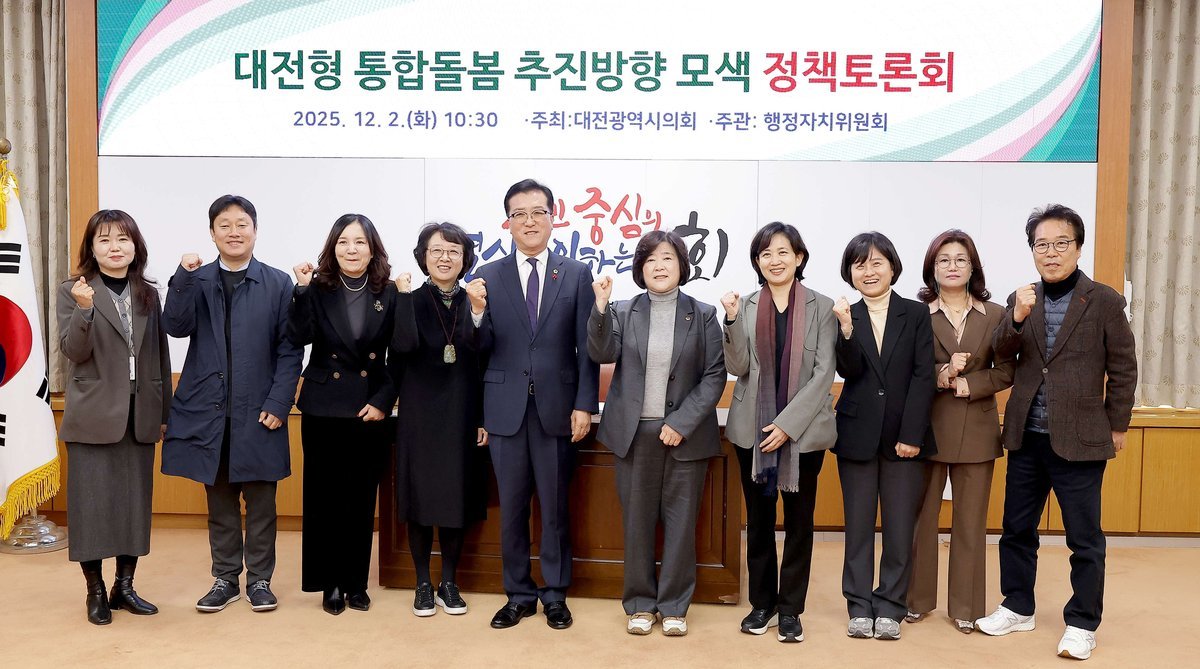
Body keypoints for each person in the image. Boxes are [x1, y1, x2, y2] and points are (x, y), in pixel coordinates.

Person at [975, 205, 1137, 661]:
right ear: (1032, 251)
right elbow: (1001, 354)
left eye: (1061, 243)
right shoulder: (1021, 296)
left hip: (1081, 438)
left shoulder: (1104, 301)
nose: (1051, 252)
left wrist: (1118, 424)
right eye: (1041, 245)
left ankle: (1082, 623)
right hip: (1027, 434)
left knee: (1084, 539)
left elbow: (1124, 367)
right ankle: (1017, 606)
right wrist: (1016, 316)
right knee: (1016, 529)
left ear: (1078, 247)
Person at [161, 194, 302, 613]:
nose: (234, 232)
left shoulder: (277, 283)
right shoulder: (197, 278)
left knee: (261, 503)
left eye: (242, 224)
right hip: (210, 411)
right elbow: (175, 325)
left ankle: (259, 580)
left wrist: (279, 402)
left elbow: (290, 349)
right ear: (212, 233)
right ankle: (225, 578)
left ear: (255, 231)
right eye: (225, 225)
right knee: (219, 502)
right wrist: (182, 278)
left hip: (259, 410)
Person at [475, 178, 599, 630]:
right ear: (507, 222)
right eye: (519, 214)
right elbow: (478, 350)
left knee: (555, 507)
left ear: (553, 217)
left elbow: (587, 348)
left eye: (538, 212)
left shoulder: (576, 273)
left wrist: (585, 404)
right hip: (503, 410)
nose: (529, 221)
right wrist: (475, 314)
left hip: (558, 409)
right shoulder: (488, 276)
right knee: (512, 510)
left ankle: (555, 594)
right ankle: (519, 594)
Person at [588, 230, 725, 637]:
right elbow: (601, 353)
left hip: (685, 436)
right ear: (640, 268)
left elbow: (715, 375)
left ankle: (675, 606)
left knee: (682, 526)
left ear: (682, 265)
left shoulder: (703, 314)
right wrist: (599, 307)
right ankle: (640, 604)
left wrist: (681, 423)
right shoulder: (622, 310)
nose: (659, 266)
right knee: (637, 524)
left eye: (667, 258)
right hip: (633, 435)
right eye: (650, 260)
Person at [720, 222, 837, 643]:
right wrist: (731, 319)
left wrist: (786, 426)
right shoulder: (746, 306)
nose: (775, 260)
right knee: (759, 521)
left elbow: (824, 374)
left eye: (783, 252)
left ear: (799, 257)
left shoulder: (822, 306)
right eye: (765, 254)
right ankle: (762, 604)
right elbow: (737, 366)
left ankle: (790, 609)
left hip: (803, 435)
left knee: (800, 522)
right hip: (751, 432)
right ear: (757, 261)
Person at [57, 210, 171, 625]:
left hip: (140, 414)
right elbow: (73, 351)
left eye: (123, 239)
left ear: (135, 246)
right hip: (93, 415)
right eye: (104, 240)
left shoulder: (148, 294)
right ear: (92, 248)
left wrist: (164, 412)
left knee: (133, 506)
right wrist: (85, 310)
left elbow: (159, 356)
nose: (114, 247)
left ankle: (124, 587)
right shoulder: (74, 290)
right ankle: (95, 591)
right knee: (90, 508)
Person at [287, 214, 397, 615]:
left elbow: (400, 355)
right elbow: (297, 336)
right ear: (332, 249)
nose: (352, 249)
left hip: (369, 407)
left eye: (360, 242)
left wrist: (383, 399)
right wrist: (301, 290)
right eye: (344, 242)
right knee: (324, 498)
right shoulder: (316, 288)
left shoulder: (390, 292)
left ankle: (356, 582)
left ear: (373, 249)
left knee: (361, 497)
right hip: (323, 406)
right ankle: (329, 582)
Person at [905, 230, 1014, 633]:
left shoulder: (997, 315)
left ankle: (967, 607)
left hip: (978, 431)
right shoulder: (916, 314)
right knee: (921, 520)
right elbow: (907, 368)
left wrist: (967, 382)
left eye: (960, 259)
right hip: (926, 428)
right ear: (932, 269)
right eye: (943, 260)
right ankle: (915, 600)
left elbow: (1007, 370)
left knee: (970, 523)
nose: (952, 266)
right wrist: (943, 373)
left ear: (972, 267)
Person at [831, 231, 935, 641]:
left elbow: (923, 376)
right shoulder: (845, 315)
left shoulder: (916, 313)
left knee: (898, 528)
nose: (869, 271)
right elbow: (849, 371)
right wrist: (845, 329)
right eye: (860, 265)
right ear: (850, 273)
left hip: (903, 438)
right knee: (857, 528)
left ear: (892, 267)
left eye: (877, 262)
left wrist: (912, 434)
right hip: (856, 435)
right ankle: (858, 605)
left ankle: (891, 605)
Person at [391, 222, 490, 618]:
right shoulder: (409, 298)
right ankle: (422, 583)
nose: (445, 258)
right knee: (419, 498)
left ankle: (449, 581)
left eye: (453, 251)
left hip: (463, 410)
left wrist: (483, 417)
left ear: (465, 258)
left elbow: (485, 357)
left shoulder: (476, 299)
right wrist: (401, 299)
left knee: (455, 496)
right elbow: (403, 346)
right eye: (437, 251)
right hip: (419, 412)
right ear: (423, 257)